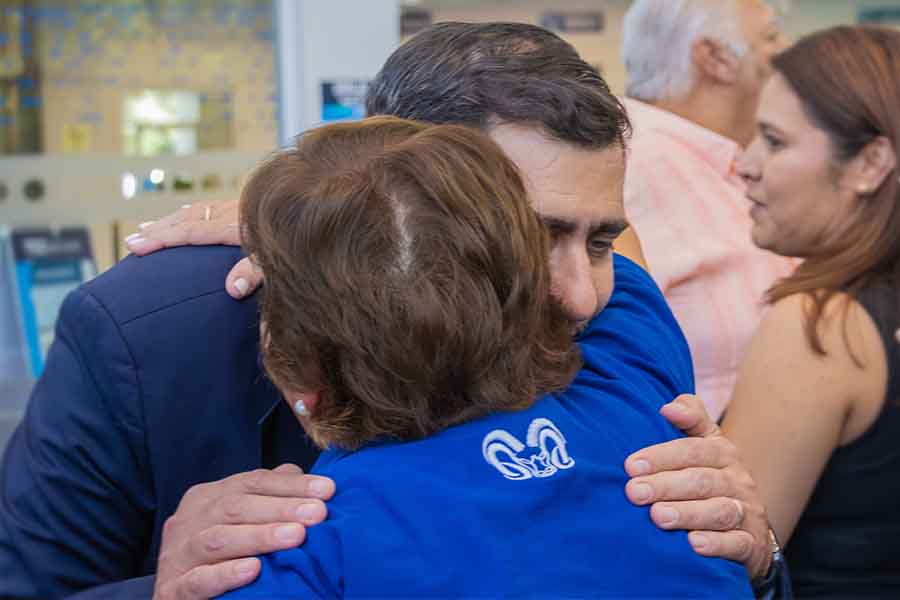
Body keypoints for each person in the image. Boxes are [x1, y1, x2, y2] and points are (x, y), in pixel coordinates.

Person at [0, 23, 772, 600]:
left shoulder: (615, 333)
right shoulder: (149, 333)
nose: (580, 296)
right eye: (525, 236)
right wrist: (176, 586)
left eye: (600, 240)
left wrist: (753, 548)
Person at [219, 115, 750, 598]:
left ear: (296, 365)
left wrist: (300, 236)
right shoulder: (632, 380)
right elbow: (610, 252)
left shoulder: (307, 556)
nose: (581, 294)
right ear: (531, 281)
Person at [722, 25, 900, 598]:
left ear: (870, 163)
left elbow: (726, 559)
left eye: (775, 142)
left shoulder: (821, 327)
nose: (745, 164)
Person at [619, 0, 795, 419]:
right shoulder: (632, 166)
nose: (787, 48)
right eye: (770, 37)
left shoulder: (722, 159)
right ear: (715, 58)